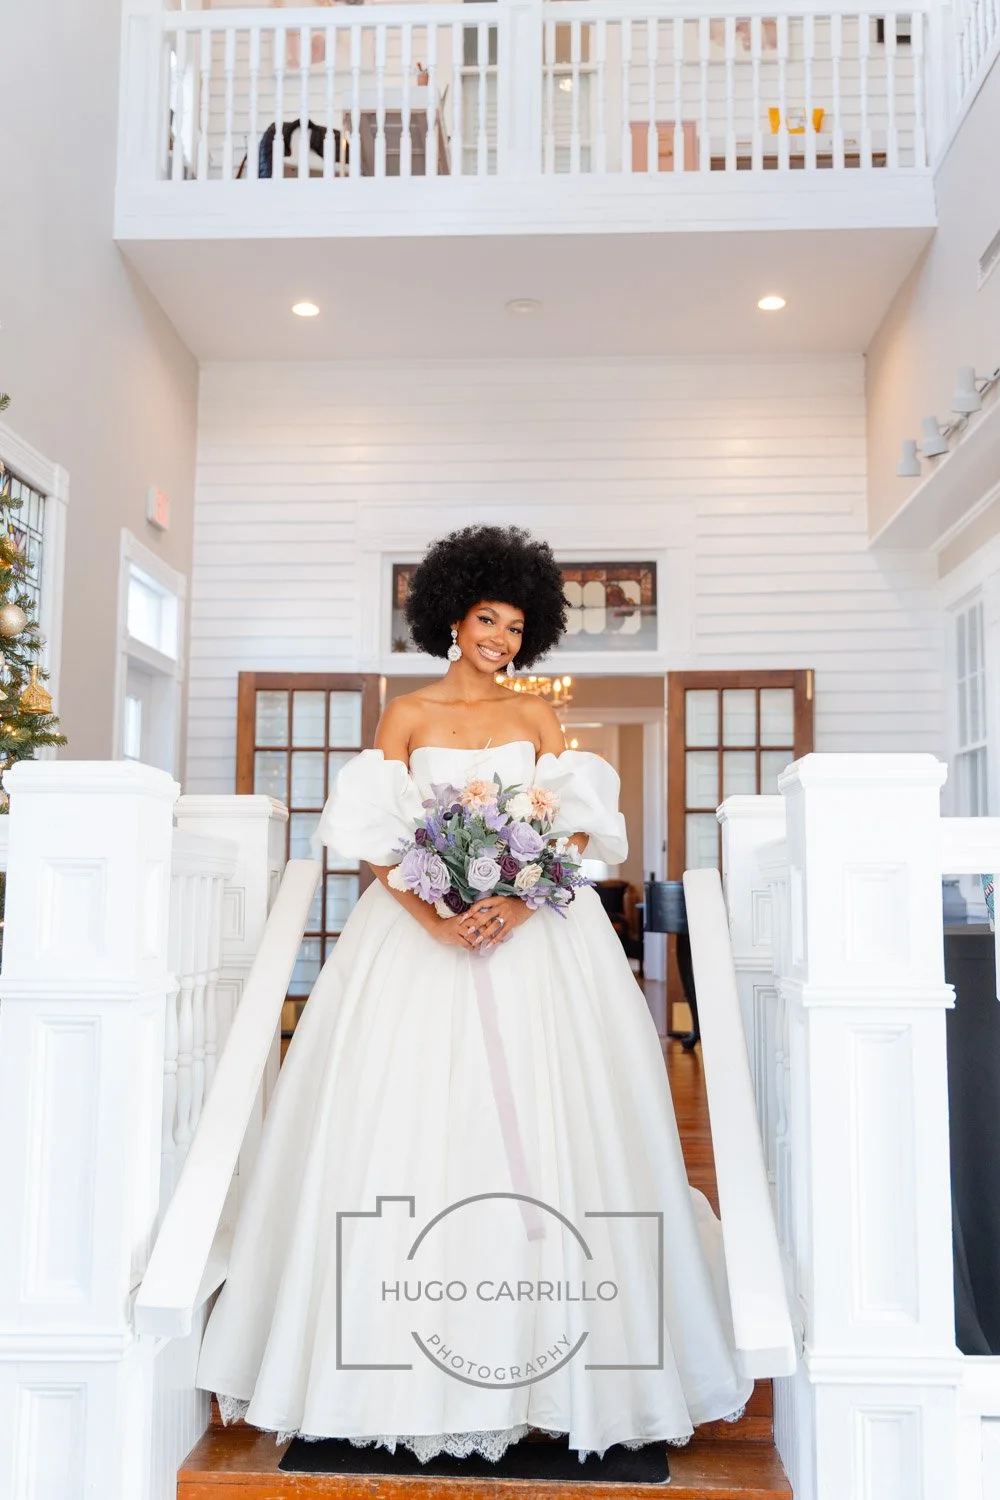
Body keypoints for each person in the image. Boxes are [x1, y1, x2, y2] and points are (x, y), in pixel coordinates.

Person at [195, 523, 752, 1464]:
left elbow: (569, 837)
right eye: (487, 616)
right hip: (417, 941)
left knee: (552, 1116)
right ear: (452, 615)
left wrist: (516, 907)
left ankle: (557, 1356)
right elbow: (380, 847)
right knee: (405, 1121)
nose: (499, 634)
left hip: (536, 936)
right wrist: (441, 921)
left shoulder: (539, 721)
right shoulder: (405, 717)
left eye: (516, 623)